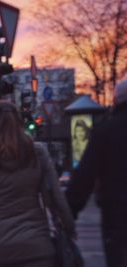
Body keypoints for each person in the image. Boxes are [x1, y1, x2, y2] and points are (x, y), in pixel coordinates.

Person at [0, 100, 75, 267]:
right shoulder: (36, 152)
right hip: (36, 246)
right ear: (19, 122)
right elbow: (56, 197)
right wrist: (69, 229)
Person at [65, 78, 127, 267]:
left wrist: (69, 213)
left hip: (118, 216)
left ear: (116, 101)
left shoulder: (106, 132)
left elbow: (84, 178)